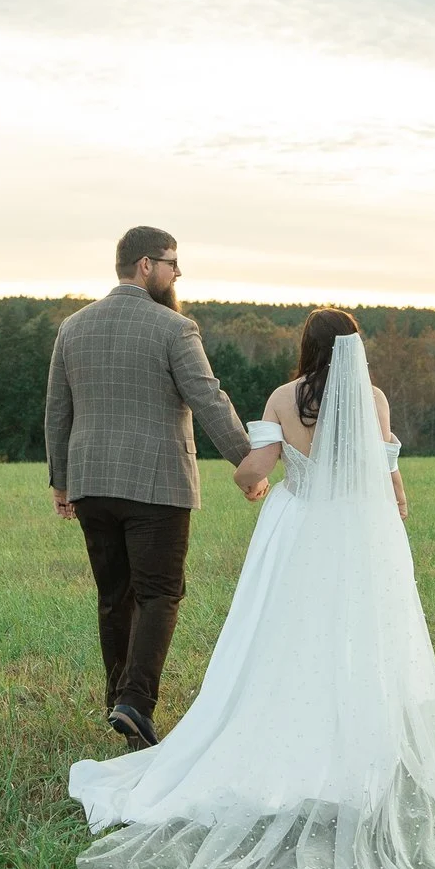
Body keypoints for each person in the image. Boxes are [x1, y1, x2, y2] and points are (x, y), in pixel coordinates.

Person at [66, 309, 435, 869]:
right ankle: (353, 755)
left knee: (286, 646)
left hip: (300, 532)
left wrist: (254, 483)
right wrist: (385, 511)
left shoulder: (286, 399)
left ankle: (284, 742)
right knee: (357, 647)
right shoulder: (372, 400)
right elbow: (391, 483)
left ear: (307, 348)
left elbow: (252, 470)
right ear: (355, 351)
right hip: (357, 535)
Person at [44, 226, 266, 751]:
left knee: (114, 596)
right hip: (158, 482)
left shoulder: (72, 328)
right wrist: (248, 462)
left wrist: (62, 481)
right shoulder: (175, 328)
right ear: (146, 265)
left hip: (92, 482)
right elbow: (208, 398)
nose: (176, 273)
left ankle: (117, 702)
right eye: (172, 263)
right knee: (161, 592)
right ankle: (136, 704)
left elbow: (58, 409)